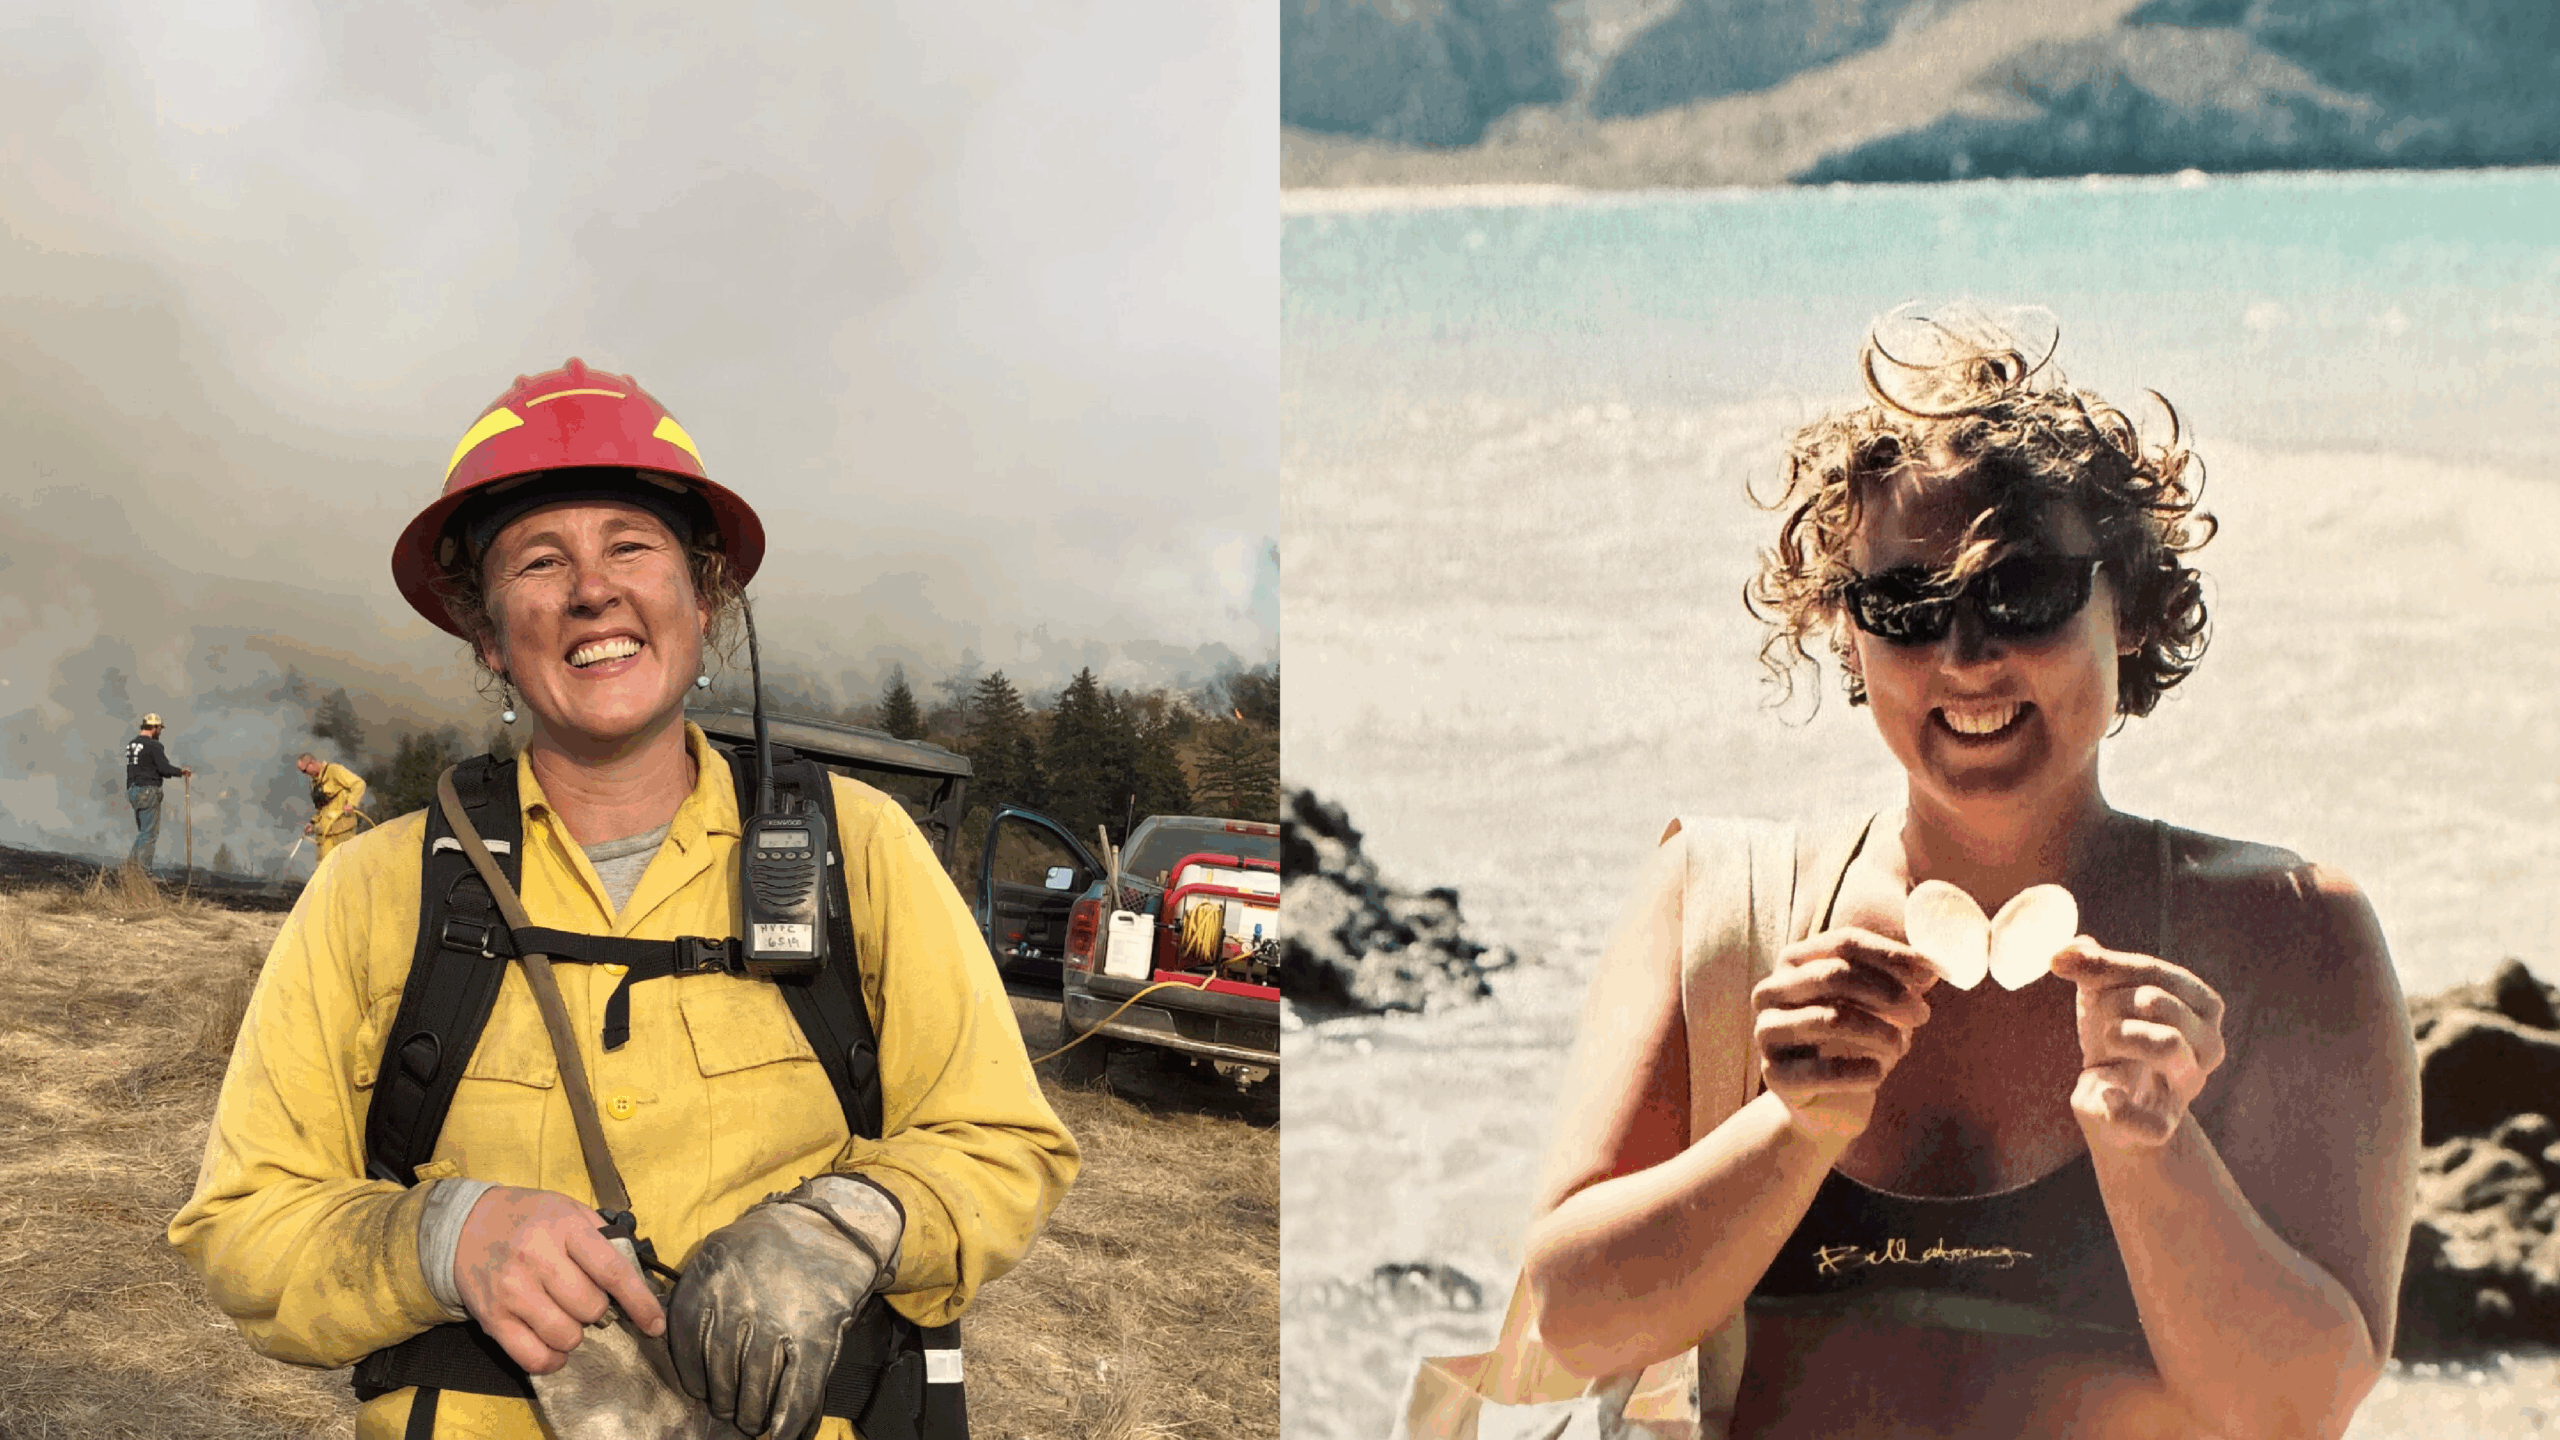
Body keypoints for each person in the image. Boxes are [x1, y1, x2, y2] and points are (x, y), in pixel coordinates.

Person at [1515, 315, 2419, 1439]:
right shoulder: (1720, 908)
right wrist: (1790, 1128)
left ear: (2130, 608)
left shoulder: (2289, 937)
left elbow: (2295, 1410)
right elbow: (1572, 1328)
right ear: (1844, 635)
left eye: (2023, 591)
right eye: (1904, 605)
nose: (1964, 654)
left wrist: (2152, 1150)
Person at [170, 358, 1079, 1439]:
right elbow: (245, 1221)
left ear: (705, 596)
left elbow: (1001, 1142)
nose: (591, 589)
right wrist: (444, 1236)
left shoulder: (859, 851)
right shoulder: (377, 887)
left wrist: (845, 1226)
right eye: (539, 561)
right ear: (488, 636)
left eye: (630, 547)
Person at [123, 712, 192, 871]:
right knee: (149, 834)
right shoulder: (154, 745)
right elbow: (164, 769)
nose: (159, 732)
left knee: (143, 833)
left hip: (133, 790)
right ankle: (143, 873)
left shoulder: (132, 745)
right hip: (148, 791)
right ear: (154, 728)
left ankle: (130, 869)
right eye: (159, 729)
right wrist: (181, 772)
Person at [296, 751, 370, 862]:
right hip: (325, 833)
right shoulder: (315, 783)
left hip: (342, 830)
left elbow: (359, 784)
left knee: (345, 864)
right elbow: (322, 808)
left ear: (311, 763)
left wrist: (351, 803)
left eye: (304, 771)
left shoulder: (334, 771)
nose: (305, 774)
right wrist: (312, 823)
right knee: (324, 867)